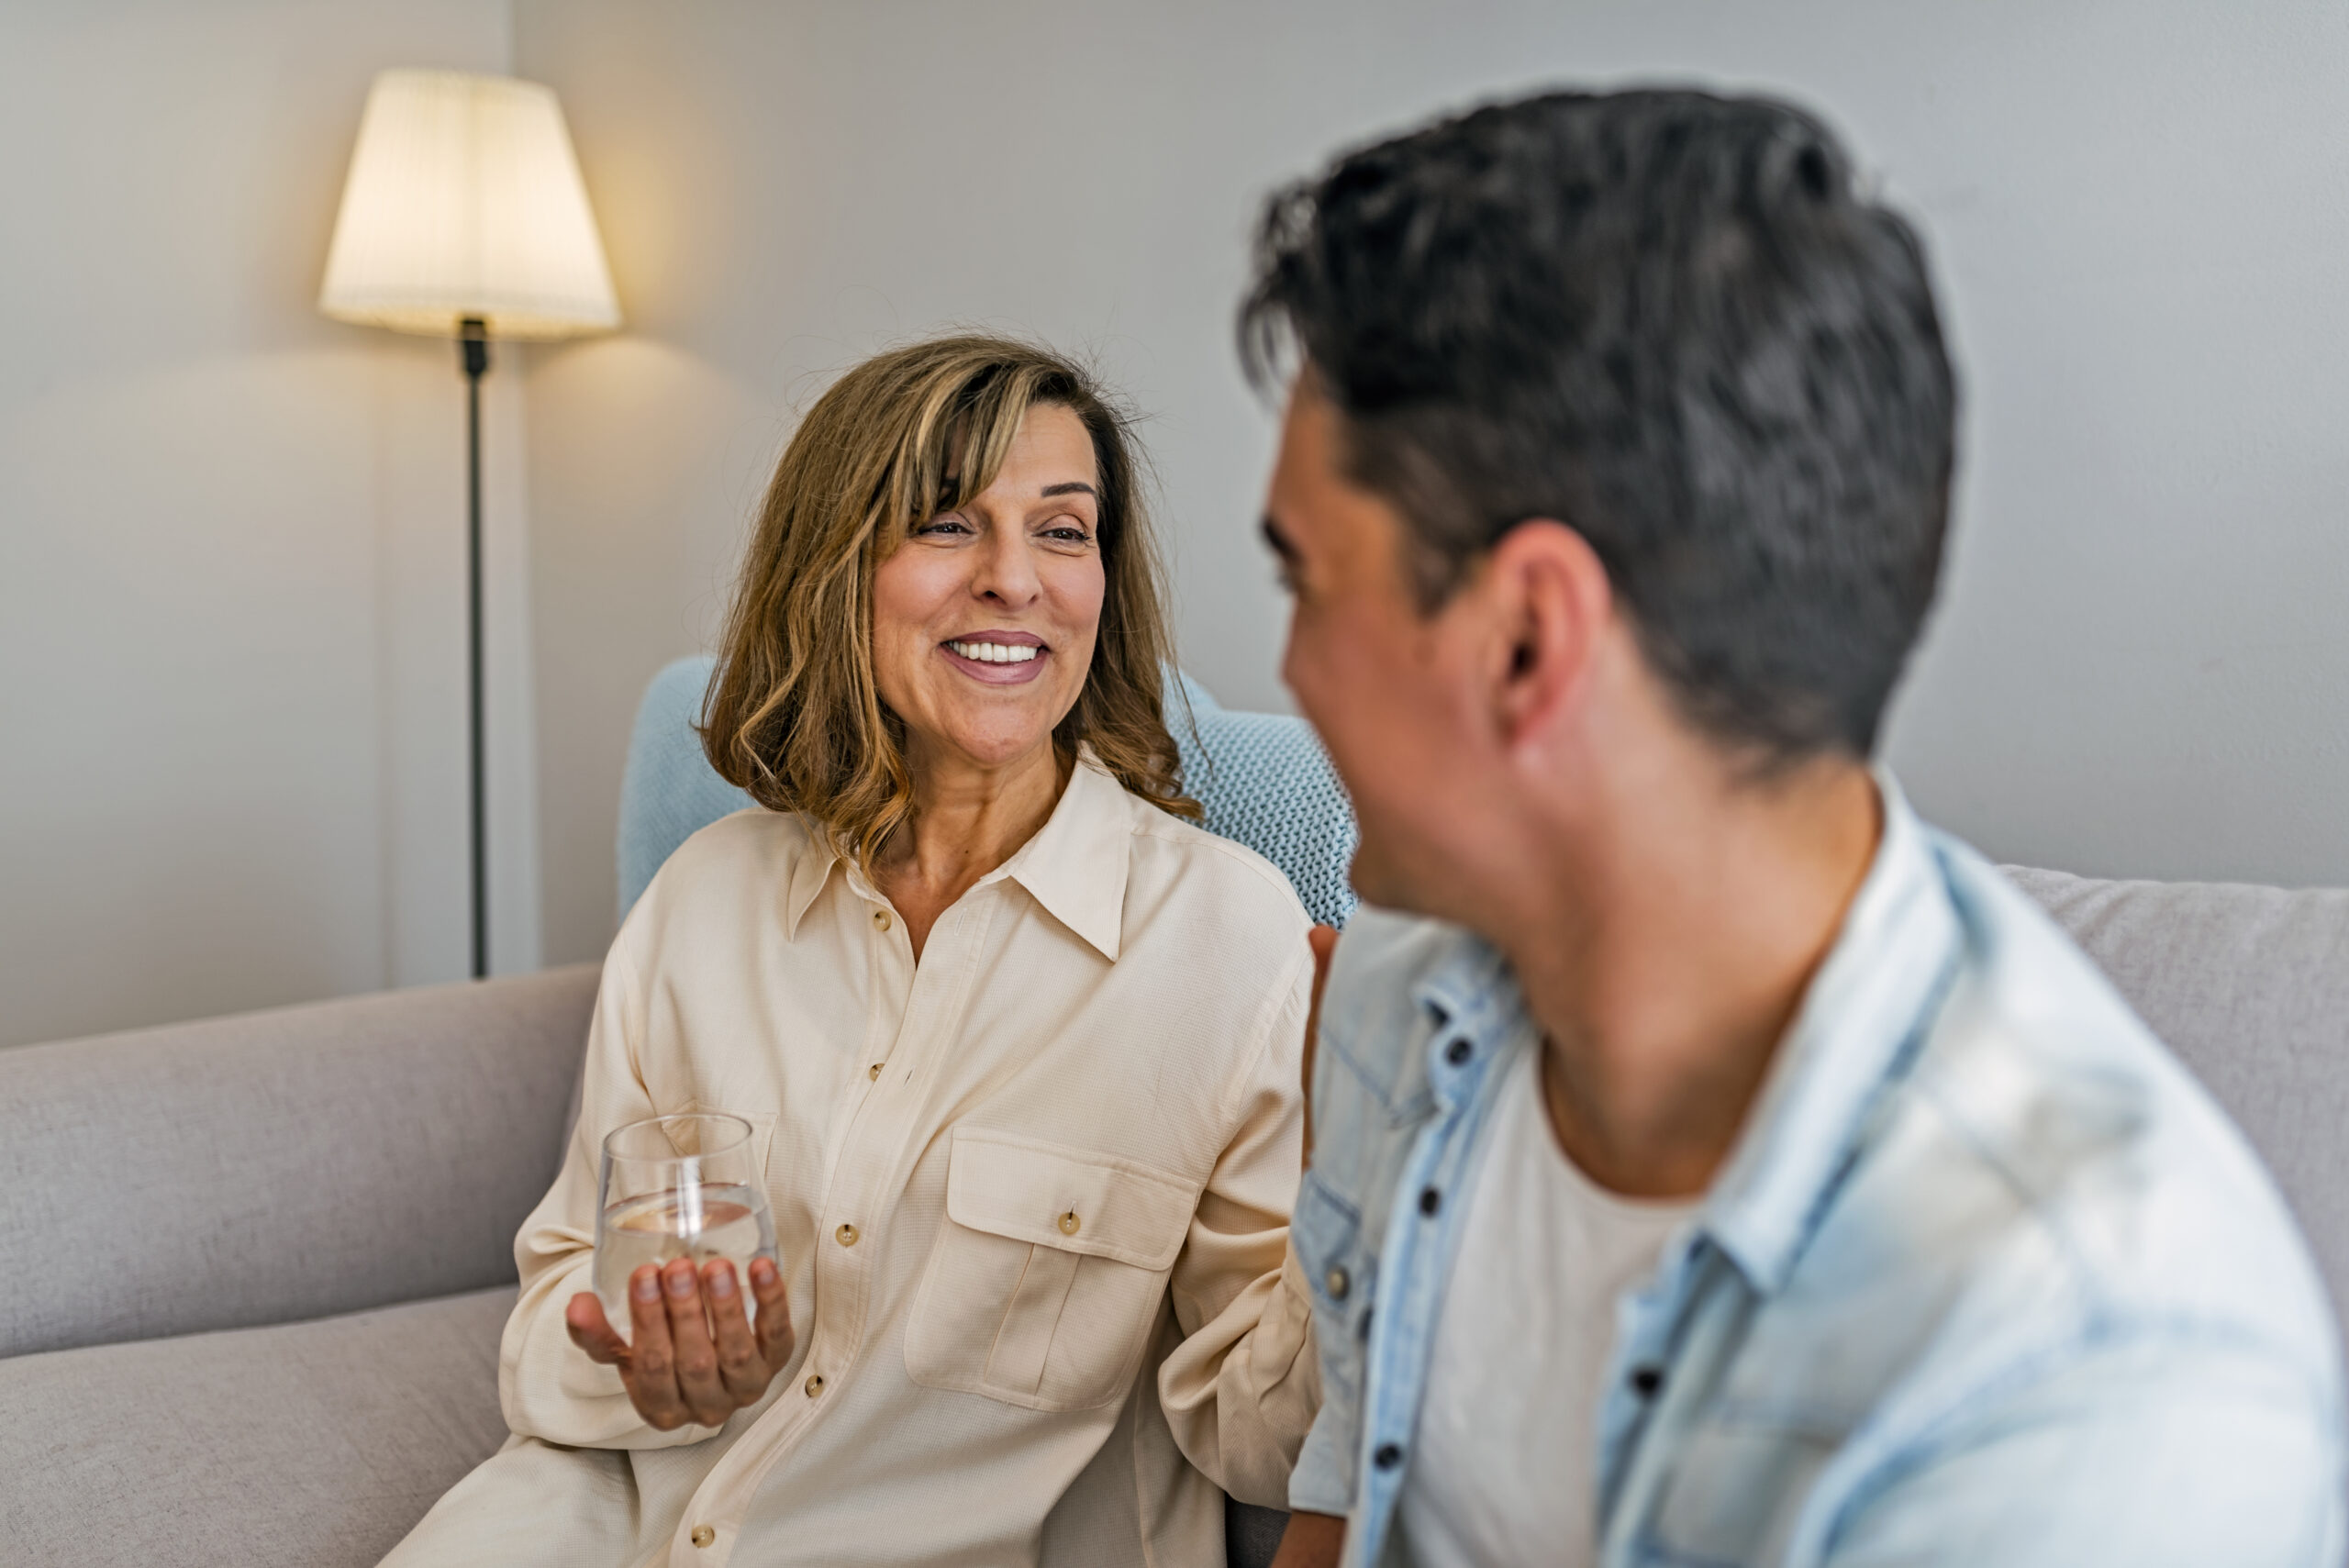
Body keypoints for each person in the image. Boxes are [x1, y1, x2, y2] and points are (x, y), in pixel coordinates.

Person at [1249, 89, 2344, 1568]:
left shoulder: (2096, 1387)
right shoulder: (1401, 990)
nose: (1288, 666)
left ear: (1527, 641)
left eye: (1310, 579)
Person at [383, 335, 1320, 1568]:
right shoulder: (704, 902)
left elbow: (1268, 1443)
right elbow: (560, 1316)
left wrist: (1373, 1178)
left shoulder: (1230, 942)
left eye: (1061, 530)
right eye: (945, 524)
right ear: (839, 570)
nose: (1013, 580)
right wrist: (650, 1364)